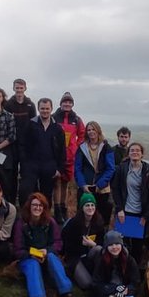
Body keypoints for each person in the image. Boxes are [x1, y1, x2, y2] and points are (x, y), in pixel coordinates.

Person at [11, 192, 75, 297]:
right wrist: (31, 254)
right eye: (34, 205)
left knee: (52, 258)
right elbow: (18, 248)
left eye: (41, 205)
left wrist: (47, 251)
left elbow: (57, 242)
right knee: (32, 265)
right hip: (28, 257)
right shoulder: (21, 223)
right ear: (29, 206)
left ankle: (67, 294)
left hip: (46, 255)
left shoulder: (50, 222)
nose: (37, 208)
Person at [110, 142, 149, 265]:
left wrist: (145, 215)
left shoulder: (147, 170)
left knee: (137, 247)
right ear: (129, 153)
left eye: (137, 150)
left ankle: (133, 273)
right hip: (124, 213)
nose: (135, 152)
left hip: (140, 215)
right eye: (132, 150)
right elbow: (115, 188)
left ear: (142, 154)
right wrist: (119, 209)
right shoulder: (122, 168)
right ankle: (120, 269)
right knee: (122, 245)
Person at [18, 98, 66, 206]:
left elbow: (62, 150)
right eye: (42, 108)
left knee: (46, 196)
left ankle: (45, 220)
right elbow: (22, 145)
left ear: (51, 109)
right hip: (31, 165)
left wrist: (59, 169)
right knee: (26, 193)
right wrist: (24, 163)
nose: (45, 111)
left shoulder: (57, 128)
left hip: (49, 166)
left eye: (47, 108)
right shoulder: (30, 125)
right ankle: (26, 218)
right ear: (38, 109)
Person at [52, 92, 86, 224]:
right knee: (56, 183)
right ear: (60, 104)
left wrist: (76, 147)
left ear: (72, 104)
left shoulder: (76, 119)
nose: (67, 104)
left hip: (70, 156)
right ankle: (57, 211)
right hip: (56, 155)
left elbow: (82, 135)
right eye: (65, 102)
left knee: (65, 183)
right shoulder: (54, 117)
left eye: (69, 102)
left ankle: (63, 210)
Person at [73, 120, 116, 224]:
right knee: (83, 218)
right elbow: (77, 168)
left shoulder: (106, 147)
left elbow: (110, 168)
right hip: (85, 188)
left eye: (93, 129)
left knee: (101, 219)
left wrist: (100, 184)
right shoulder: (82, 148)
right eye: (89, 130)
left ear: (98, 131)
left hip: (102, 189)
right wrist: (82, 184)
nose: (91, 132)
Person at [61, 192, 108, 282]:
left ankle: (99, 277)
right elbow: (67, 247)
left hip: (90, 255)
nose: (90, 208)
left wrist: (93, 244)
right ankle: (71, 271)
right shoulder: (73, 223)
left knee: (98, 249)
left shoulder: (99, 222)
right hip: (75, 257)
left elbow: (103, 243)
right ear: (82, 207)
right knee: (86, 283)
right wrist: (80, 244)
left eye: (92, 205)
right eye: (87, 205)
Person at [4, 78, 37, 203]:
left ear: (25, 89)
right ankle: (11, 202)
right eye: (17, 88)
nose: (19, 90)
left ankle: (25, 203)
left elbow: (34, 124)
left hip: (26, 145)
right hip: (11, 144)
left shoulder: (30, 105)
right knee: (11, 175)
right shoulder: (8, 104)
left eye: (21, 88)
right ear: (13, 89)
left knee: (26, 175)